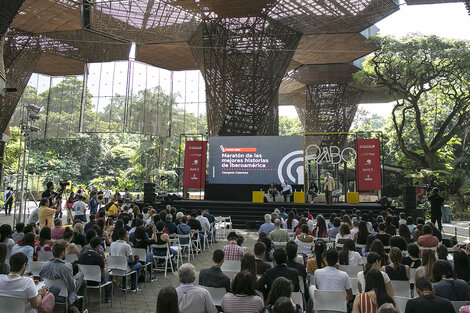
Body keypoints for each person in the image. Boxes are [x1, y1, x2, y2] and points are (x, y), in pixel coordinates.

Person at [39, 242, 84, 307]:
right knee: (81, 275)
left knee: (81, 282)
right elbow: (72, 288)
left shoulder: (43, 266)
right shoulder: (65, 268)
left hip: (48, 295)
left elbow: (42, 282)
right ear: (62, 253)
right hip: (63, 297)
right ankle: (78, 305)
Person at [78, 236, 112, 303]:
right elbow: (103, 274)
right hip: (97, 281)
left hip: (85, 280)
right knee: (107, 274)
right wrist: (106, 265)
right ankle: (108, 297)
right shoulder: (99, 258)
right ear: (98, 246)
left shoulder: (82, 257)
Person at [110, 228, 142, 292]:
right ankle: (133, 287)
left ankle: (125, 286)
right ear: (125, 236)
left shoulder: (112, 244)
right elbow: (132, 260)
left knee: (125, 263)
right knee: (138, 264)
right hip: (124, 269)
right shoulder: (126, 246)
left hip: (113, 268)